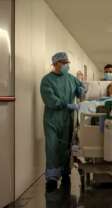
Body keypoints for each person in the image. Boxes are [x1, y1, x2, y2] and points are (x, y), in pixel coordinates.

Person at [40, 52, 85, 192]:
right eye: (63, 63)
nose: (66, 65)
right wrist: (66, 104)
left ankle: (65, 172)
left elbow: (80, 92)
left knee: (65, 147)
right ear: (55, 64)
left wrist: (82, 89)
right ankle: (52, 178)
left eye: (67, 63)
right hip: (52, 119)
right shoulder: (47, 80)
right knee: (52, 146)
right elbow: (49, 99)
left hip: (67, 119)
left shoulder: (71, 78)